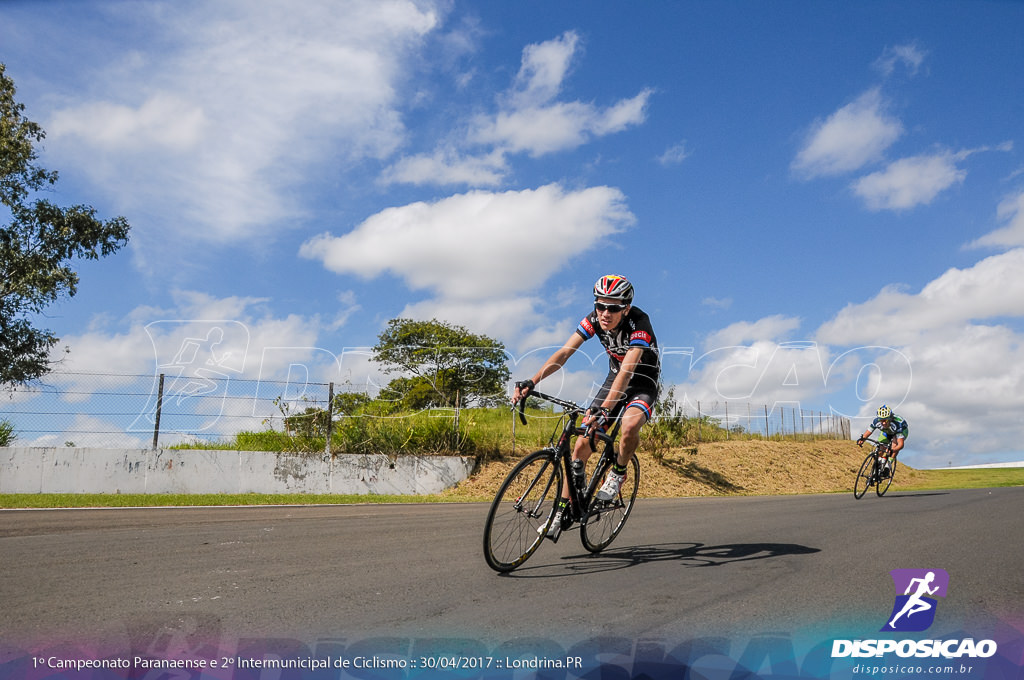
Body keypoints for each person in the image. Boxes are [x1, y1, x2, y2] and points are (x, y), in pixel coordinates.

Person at [511, 274, 660, 538]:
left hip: (641, 381)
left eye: (613, 308)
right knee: (581, 444)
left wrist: (605, 408)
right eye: (600, 306)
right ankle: (561, 511)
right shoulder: (594, 320)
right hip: (615, 378)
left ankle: (618, 473)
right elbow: (565, 353)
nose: (605, 313)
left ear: (626, 308)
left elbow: (628, 370)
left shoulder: (640, 323)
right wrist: (532, 381)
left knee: (630, 424)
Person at [857, 404, 909, 477]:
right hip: (886, 432)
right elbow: (868, 431)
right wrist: (862, 439)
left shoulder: (897, 424)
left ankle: (888, 466)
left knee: (894, 445)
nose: (883, 422)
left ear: (890, 418)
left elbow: (900, 445)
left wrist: (892, 449)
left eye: (885, 420)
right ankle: (874, 471)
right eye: (881, 420)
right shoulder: (876, 421)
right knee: (880, 448)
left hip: (901, 431)